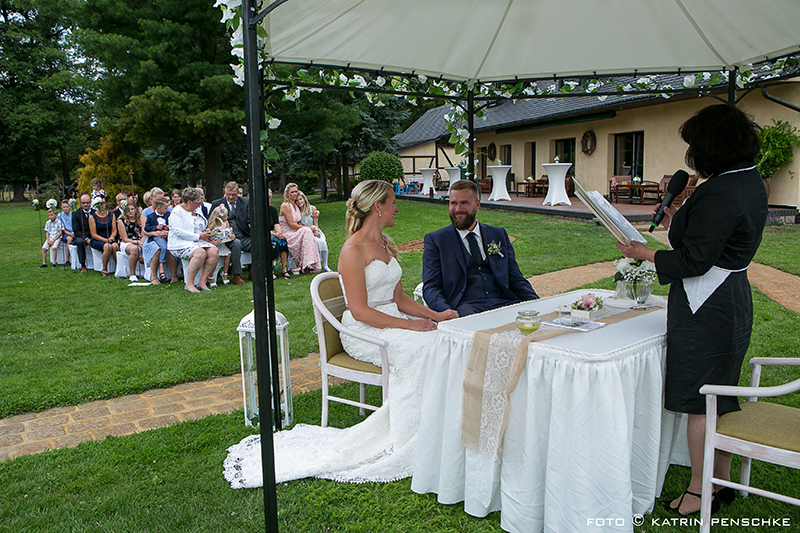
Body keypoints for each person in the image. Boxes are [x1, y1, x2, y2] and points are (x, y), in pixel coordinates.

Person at [223, 180, 458, 488]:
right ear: (377, 207)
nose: (396, 208)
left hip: (391, 319)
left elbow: (399, 299)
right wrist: (413, 326)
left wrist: (435, 315)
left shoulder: (386, 243)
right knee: (423, 349)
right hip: (362, 329)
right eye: (392, 203)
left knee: (442, 340)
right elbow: (359, 311)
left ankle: (440, 429)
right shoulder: (352, 249)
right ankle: (410, 439)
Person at [616, 104, 768, 517]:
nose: (692, 154)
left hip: (707, 303)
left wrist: (643, 251)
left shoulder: (718, 191)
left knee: (702, 397)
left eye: (695, 145)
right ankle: (720, 480)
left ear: (711, 145)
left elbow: (694, 261)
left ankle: (701, 493)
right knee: (722, 391)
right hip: (732, 295)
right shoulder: (748, 179)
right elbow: (711, 238)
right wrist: (675, 220)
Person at [422, 179, 538, 316]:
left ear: (477, 204)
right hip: (465, 307)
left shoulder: (498, 234)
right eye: (453, 203)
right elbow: (431, 287)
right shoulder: (436, 240)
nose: (458, 209)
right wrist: (446, 312)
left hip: (503, 302)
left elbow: (516, 278)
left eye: (464, 203)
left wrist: (537, 303)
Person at [168, 187, 220, 293]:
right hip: (179, 243)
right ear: (189, 201)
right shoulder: (177, 212)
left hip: (196, 242)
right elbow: (178, 232)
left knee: (214, 251)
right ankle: (189, 283)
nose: (200, 203)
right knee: (200, 253)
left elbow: (201, 227)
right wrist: (199, 237)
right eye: (197, 201)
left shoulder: (196, 209)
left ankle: (202, 282)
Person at [210, 181, 248, 285]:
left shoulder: (245, 203)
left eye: (233, 195)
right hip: (225, 238)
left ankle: (256, 272)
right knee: (236, 244)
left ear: (238, 193)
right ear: (225, 192)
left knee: (259, 242)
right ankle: (237, 276)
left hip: (244, 235)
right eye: (228, 195)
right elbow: (210, 223)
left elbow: (250, 219)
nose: (230, 197)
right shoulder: (216, 204)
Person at [279, 183, 320, 273]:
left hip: (296, 230)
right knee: (306, 230)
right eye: (292, 192)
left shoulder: (296, 205)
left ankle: (309, 264)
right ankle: (306, 263)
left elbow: (308, 209)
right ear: (287, 194)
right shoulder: (286, 205)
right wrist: (308, 228)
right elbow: (291, 224)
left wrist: (317, 212)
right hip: (287, 232)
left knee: (307, 232)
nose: (294, 194)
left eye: (296, 192)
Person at [143, 196, 178, 284]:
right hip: (155, 237)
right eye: (165, 208)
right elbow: (146, 228)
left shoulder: (168, 215)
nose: (167, 209)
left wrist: (167, 228)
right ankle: (160, 268)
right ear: (158, 208)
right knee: (162, 247)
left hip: (167, 236)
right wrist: (156, 228)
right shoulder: (150, 216)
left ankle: (174, 275)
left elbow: (173, 225)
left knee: (169, 248)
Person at [296, 191, 331, 272]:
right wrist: (310, 230)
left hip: (314, 229)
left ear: (304, 199)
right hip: (305, 231)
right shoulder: (297, 212)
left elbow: (316, 223)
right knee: (314, 242)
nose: (299, 202)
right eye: (297, 201)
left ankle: (325, 265)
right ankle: (313, 263)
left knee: (322, 242)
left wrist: (315, 231)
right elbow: (299, 225)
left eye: (300, 199)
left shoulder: (312, 208)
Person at [88, 199, 120, 276]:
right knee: (107, 246)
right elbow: (93, 234)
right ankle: (104, 269)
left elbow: (114, 230)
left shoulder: (111, 215)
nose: (102, 205)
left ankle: (117, 267)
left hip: (109, 237)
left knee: (115, 246)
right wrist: (106, 240)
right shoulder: (92, 217)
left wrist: (112, 237)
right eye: (99, 204)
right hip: (98, 239)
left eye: (103, 203)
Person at [205, 205, 235, 286]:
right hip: (214, 245)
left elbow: (228, 232)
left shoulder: (226, 223)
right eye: (225, 216)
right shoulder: (212, 224)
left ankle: (225, 273)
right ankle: (211, 276)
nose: (227, 217)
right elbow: (208, 234)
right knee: (215, 256)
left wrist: (231, 236)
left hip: (222, 244)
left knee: (228, 254)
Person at [117, 202, 144, 282]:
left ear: (136, 209)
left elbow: (143, 234)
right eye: (128, 209)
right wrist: (137, 243)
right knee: (134, 249)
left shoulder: (140, 219)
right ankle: (132, 274)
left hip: (140, 240)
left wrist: (142, 242)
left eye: (132, 209)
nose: (131, 211)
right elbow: (124, 238)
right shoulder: (121, 221)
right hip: (127, 242)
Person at [268, 189, 290, 280]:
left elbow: (276, 223)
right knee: (273, 242)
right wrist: (275, 235)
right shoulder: (257, 212)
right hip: (264, 235)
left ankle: (284, 269)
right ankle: (270, 270)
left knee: (283, 240)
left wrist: (279, 233)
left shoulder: (272, 210)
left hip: (273, 233)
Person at [71, 193, 93, 272]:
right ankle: (83, 265)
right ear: (80, 203)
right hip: (80, 236)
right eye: (83, 203)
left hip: (93, 235)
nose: (86, 204)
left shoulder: (95, 212)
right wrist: (86, 238)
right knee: (80, 242)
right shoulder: (75, 214)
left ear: (90, 202)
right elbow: (76, 230)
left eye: (87, 202)